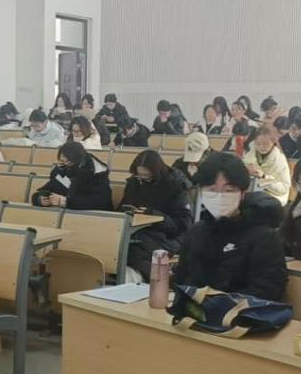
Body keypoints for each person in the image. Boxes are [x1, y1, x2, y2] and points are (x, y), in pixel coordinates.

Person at [173, 153, 288, 302]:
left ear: (243, 193)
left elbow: (267, 290)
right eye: (212, 190)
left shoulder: (264, 237)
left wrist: (215, 304)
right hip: (194, 312)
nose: (220, 196)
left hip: (240, 313)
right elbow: (182, 279)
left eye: (228, 190)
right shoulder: (196, 232)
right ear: (201, 191)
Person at [120, 150, 193, 280]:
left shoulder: (175, 185)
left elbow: (183, 224)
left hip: (169, 236)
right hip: (138, 231)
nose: (142, 179)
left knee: (127, 250)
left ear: (156, 173)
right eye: (139, 176)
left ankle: (163, 278)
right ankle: (162, 277)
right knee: (120, 245)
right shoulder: (135, 182)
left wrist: (154, 215)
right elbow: (123, 206)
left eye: (146, 176)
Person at [32, 140, 112, 211]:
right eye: (62, 161)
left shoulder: (98, 174)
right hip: (69, 214)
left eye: (69, 162)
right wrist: (40, 198)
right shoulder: (64, 170)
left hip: (95, 217)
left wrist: (65, 202)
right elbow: (48, 188)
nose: (64, 165)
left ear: (78, 161)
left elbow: (100, 201)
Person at [243, 123, 292, 202]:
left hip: (273, 198)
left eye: (266, 144)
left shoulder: (279, 160)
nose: (262, 147)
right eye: (258, 144)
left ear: (273, 142)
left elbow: (284, 189)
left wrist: (263, 177)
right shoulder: (249, 156)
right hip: (252, 194)